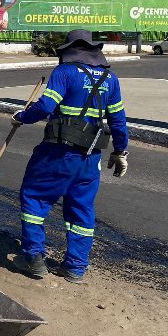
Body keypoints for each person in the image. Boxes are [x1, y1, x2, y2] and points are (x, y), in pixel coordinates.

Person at [11, 29, 128, 284]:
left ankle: (33, 258)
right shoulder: (111, 78)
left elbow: (44, 107)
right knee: (81, 210)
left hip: (58, 154)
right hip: (90, 158)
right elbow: (118, 121)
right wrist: (121, 151)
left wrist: (21, 117)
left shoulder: (64, 73)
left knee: (34, 198)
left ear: (70, 50)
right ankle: (75, 267)